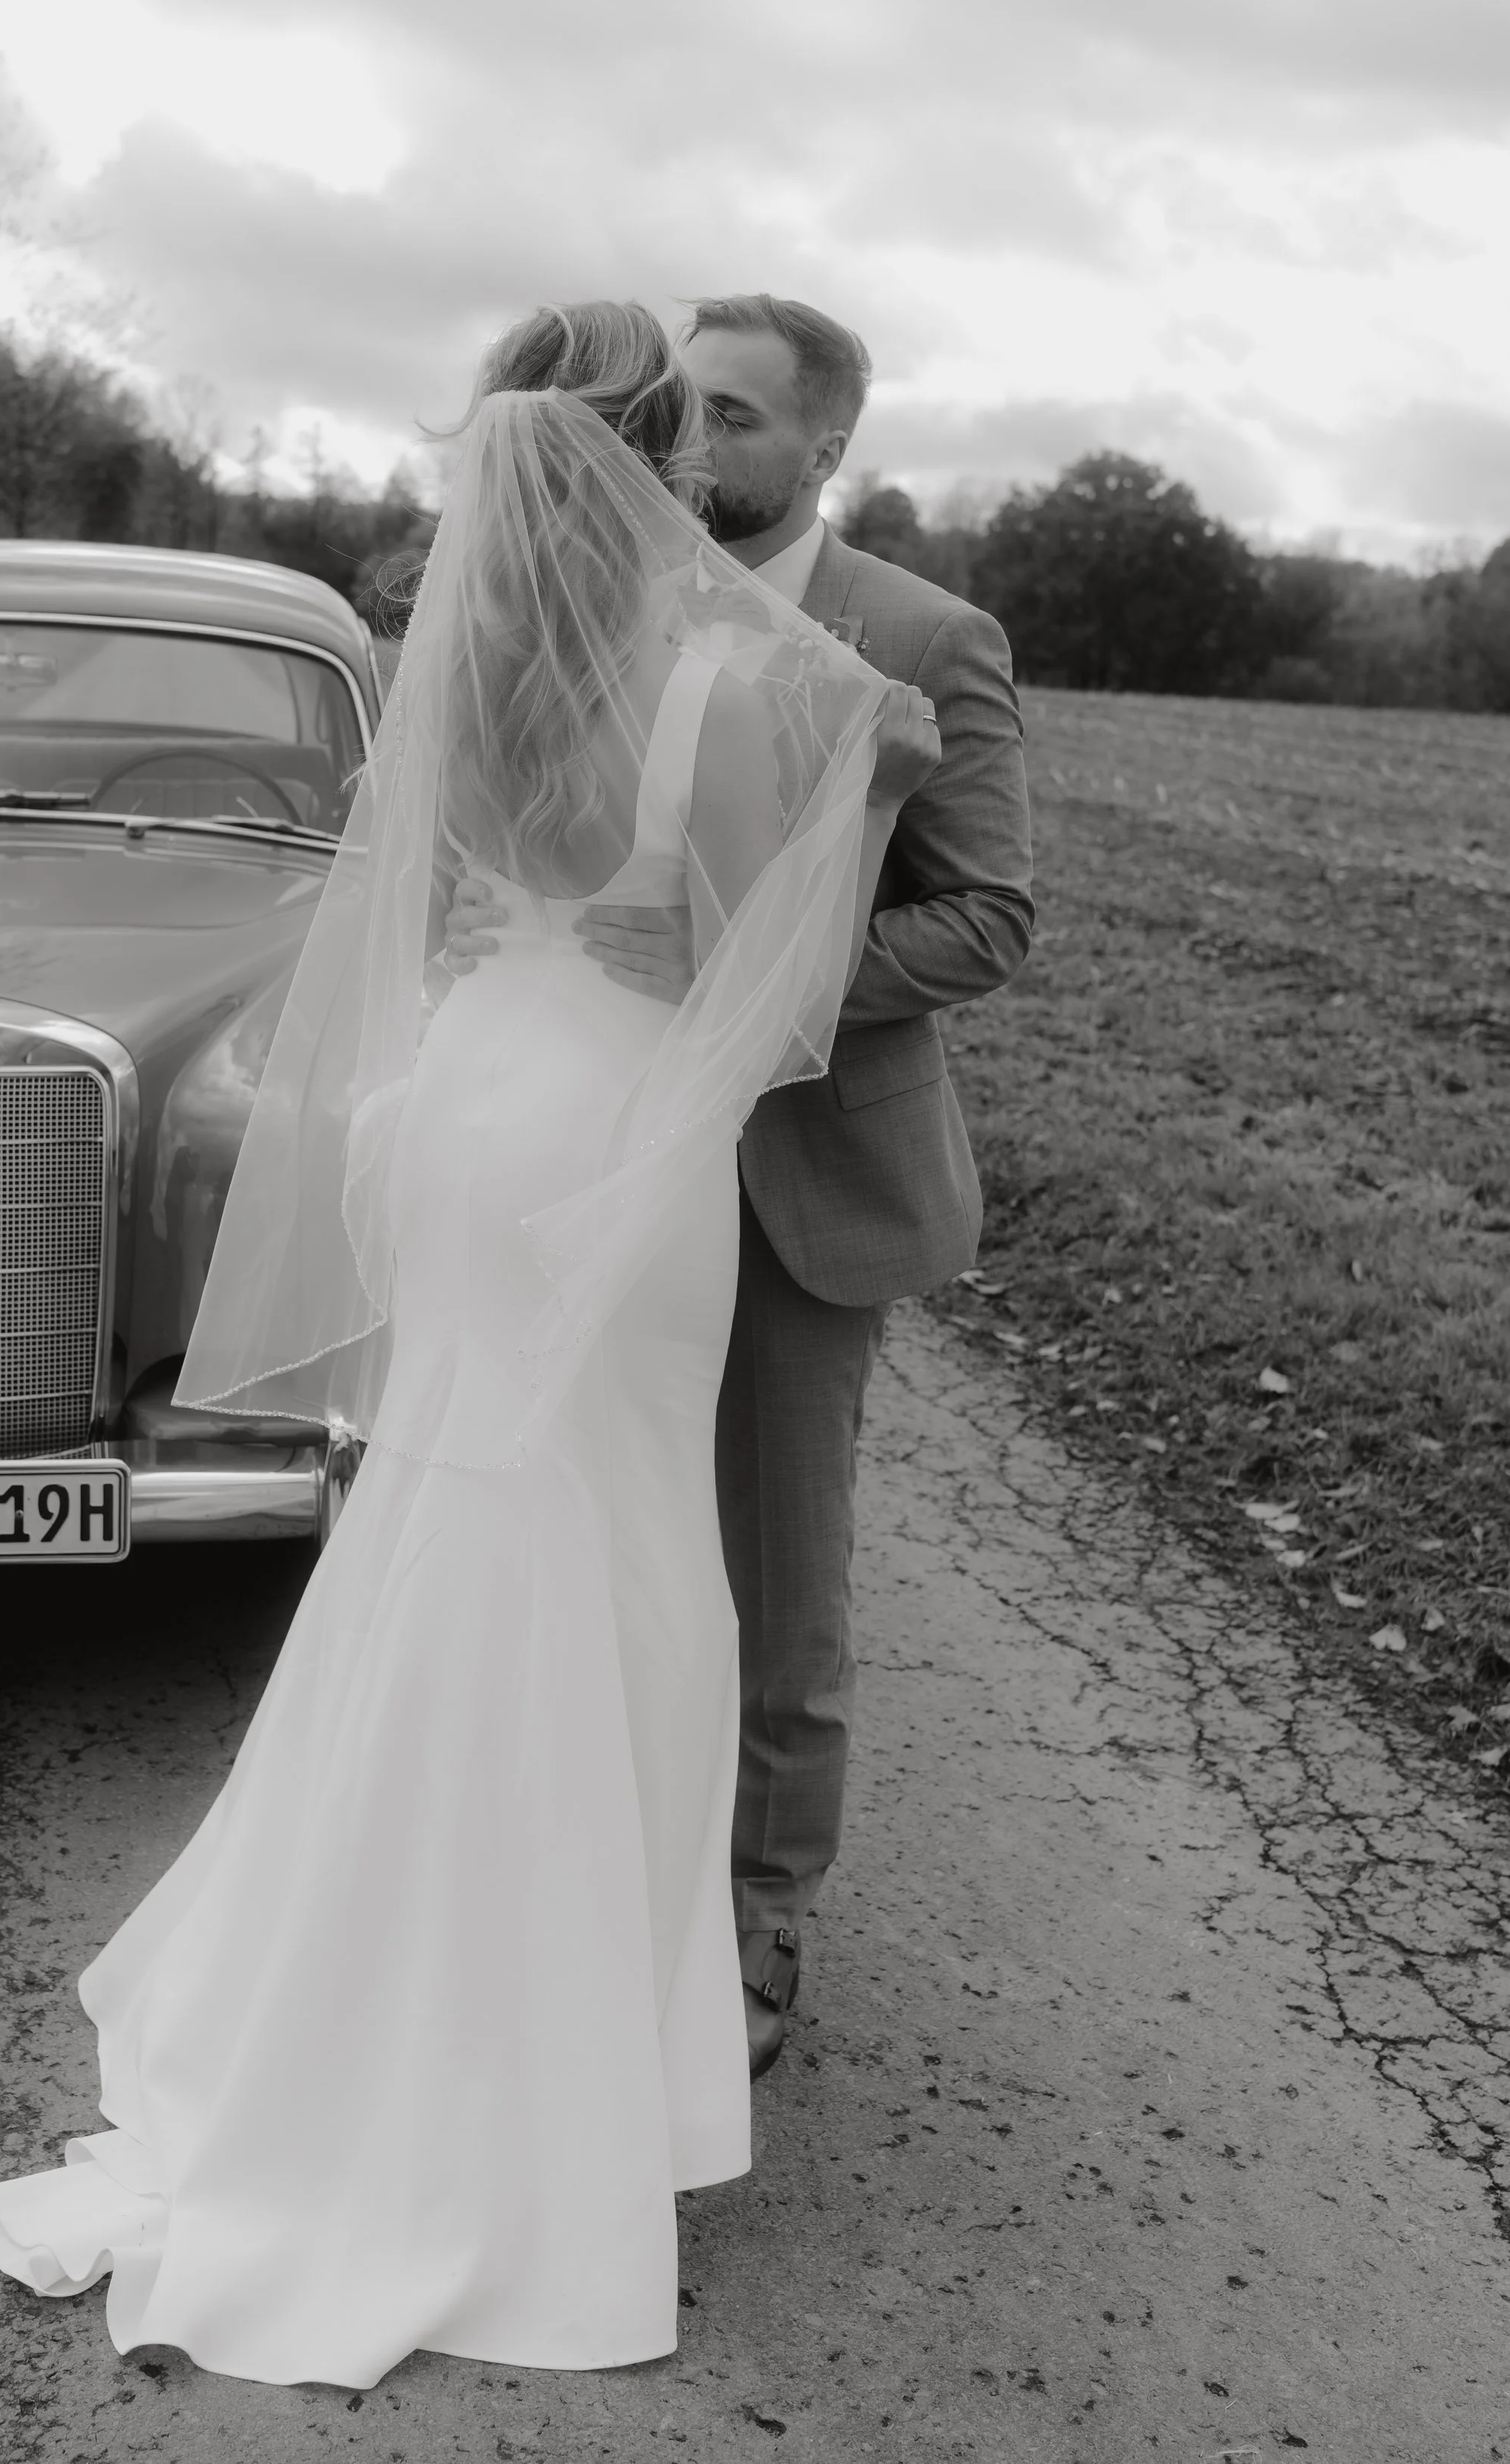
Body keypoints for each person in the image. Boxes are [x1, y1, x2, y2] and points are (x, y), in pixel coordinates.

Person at [0, 302, 940, 2387]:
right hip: (608, 1151)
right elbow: (762, 1001)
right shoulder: (724, 681)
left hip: (465, 1112)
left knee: (453, 1535)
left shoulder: (466, 664)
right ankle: (539, 2068)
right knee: (616, 1570)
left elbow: (415, 923)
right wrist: (851, 804)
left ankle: (363, 1988)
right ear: (657, 463)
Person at [445, 296, 1033, 2078]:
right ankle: (583, 1892)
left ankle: (756, 1924)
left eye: (736, 419)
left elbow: (985, 919)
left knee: (778, 1586)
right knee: (580, 1537)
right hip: (577, 1156)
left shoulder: (920, 636)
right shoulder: (586, 599)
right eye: (681, 411)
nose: (692, 447)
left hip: (792, 1176)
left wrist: (738, 983)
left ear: (826, 449)